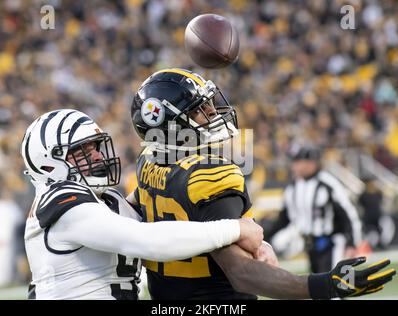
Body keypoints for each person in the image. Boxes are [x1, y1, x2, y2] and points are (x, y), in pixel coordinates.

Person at [129, 68, 396, 299]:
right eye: (199, 110)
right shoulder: (209, 175)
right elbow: (241, 273)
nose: (212, 112)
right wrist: (324, 284)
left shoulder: (149, 162)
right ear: (170, 125)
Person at [21, 108, 264, 300]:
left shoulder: (109, 200)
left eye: (93, 147)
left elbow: (166, 208)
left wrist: (255, 243)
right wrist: (235, 228)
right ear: (48, 164)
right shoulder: (60, 199)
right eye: (80, 151)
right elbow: (147, 240)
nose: (96, 155)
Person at [266, 144, 363, 273]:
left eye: (298, 161)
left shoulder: (328, 183)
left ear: (311, 163)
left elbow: (348, 213)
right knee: (317, 286)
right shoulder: (292, 187)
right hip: (310, 244)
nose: (293, 166)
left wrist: (352, 242)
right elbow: (284, 219)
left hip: (331, 243)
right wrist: (265, 239)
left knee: (333, 284)